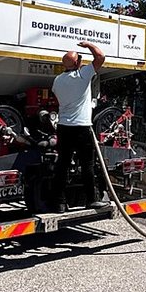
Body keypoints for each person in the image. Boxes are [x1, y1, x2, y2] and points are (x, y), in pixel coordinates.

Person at [50, 40, 108, 213]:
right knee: (87, 165)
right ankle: (91, 200)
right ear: (77, 63)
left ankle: (59, 203)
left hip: (63, 126)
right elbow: (100, 57)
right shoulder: (83, 76)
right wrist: (88, 45)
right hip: (81, 128)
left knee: (62, 165)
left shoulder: (57, 81)